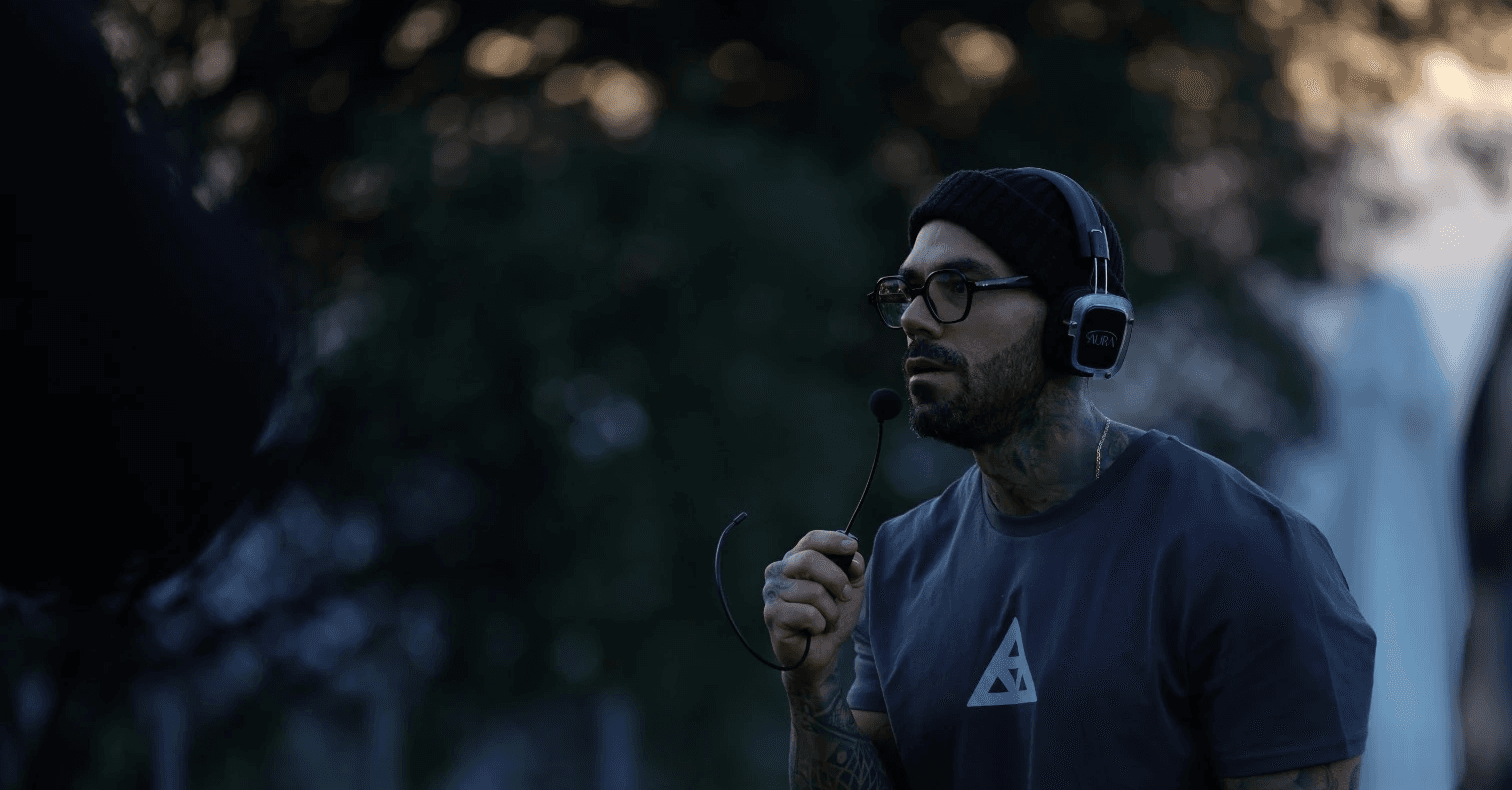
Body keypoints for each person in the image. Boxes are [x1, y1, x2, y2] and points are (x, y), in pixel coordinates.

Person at [760, 168, 1376, 788]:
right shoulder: (900, 562)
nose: (917, 318)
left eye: (954, 285)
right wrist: (810, 686)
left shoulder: (1245, 551)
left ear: (1074, 318)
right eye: (908, 291)